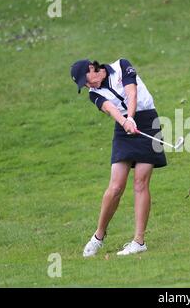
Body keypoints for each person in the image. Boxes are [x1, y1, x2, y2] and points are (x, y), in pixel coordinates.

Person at [70, 58, 167, 257]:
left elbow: (132, 92)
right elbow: (110, 108)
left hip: (148, 120)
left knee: (141, 182)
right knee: (116, 187)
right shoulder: (93, 93)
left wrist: (131, 118)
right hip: (123, 128)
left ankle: (139, 241)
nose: (88, 85)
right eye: (84, 85)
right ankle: (98, 236)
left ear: (92, 68)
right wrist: (125, 122)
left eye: (86, 79)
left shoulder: (121, 66)